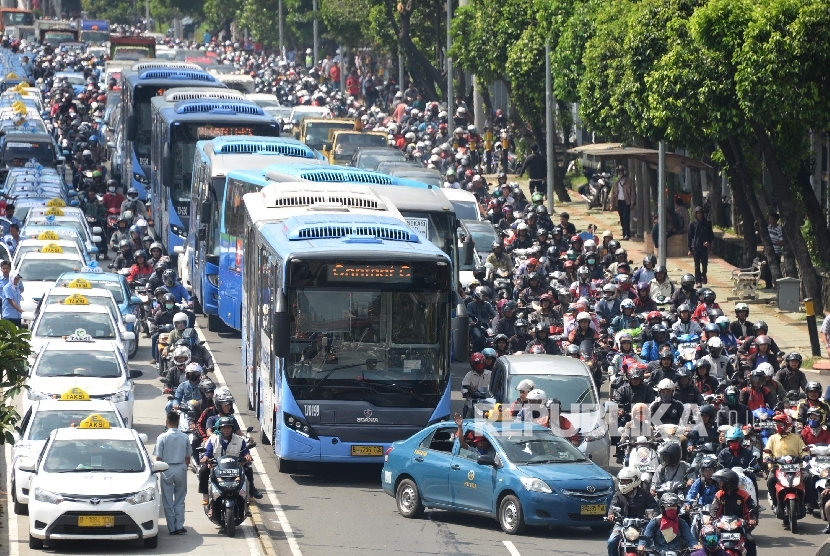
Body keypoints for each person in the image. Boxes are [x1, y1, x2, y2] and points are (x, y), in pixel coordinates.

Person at [200, 416, 261, 507]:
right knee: (203, 471)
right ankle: (206, 495)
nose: (226, 430)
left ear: (232, 428)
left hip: (235, 466)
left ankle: (250, 493)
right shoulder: (213, 440)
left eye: (228, 427)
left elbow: (245, 451)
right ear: (220, 429)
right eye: (224, 427)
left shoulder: (240, 440)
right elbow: (208, 452)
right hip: (217, 466)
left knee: (248, 470)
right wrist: (206, 459)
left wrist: (247, 456)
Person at [764, 413, 809, 520]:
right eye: (776, 423)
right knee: (770, 479)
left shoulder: (796, 438)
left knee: (808, 477)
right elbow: (767, 452)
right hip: (778, 467)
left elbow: (803, 451)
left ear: (787, 424)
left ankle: (806, 502)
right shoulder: (772, 438)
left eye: (780, 423)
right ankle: (775, 502)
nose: (777, 425)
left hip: (796, 467)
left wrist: (806, 456)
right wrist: (766, 457)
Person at [606, 467, 660, 556]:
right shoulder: (619, 494)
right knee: (612, 541)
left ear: (635, 480)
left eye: (626, 481)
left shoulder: (645, 494)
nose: (623, 483)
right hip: (622, 524)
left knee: (652, 543)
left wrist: (654, 516)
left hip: (642, 525)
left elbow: (655, 508)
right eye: (622, 481)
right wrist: (611, 514)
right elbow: (613, 505)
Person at [154, 411, 191, 535]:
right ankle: (180, 525)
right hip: (180, 468)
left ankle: (172, 527)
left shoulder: (162, 437)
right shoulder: (184, 437)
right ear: (178, 422)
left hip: (166, 469)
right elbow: (187, 457)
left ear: (167, 422)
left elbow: (158, 457)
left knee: (167, 499)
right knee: (180, 499)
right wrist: (184, 468)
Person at [710, 469, 758, 556]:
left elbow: (753, 508)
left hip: (740, 527)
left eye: (721, 482)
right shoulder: (719, 494)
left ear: (729, 483)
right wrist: (711, 519)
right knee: (709, 541)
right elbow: (714, 509)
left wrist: (752, 518)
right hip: (722, 527)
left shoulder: (744, 494)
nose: (719, 484)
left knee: (750, 541)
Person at [688, 206, 714, 287]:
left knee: (704, 263)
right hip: (695, 247)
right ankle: (698, 281)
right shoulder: (692, 224)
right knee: (697, 265)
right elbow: (689, 236)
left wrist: (708, 242)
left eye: (700, 213)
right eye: (697, 213)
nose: (699, 214)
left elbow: (711, 235)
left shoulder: (707, 223)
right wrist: (689, 249)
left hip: (704, 247)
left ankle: (704, 275)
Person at [613, 165, 635, 240]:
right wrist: (611, 204)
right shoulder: (616, 183)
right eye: (618, 172)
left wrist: (632, 203)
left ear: (624, 172)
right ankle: (624, 234)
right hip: (619, 202)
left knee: (626, 217)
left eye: (621, 171)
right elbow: (613, 194)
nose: (619, 173)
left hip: (627, 202)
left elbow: (632, 193)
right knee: (622, 218)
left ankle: (628, 234)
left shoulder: (629, 181)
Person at [764, 212, 783, 289]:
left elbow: (781, 240)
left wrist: (774, 243)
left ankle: (777, 285)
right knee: (767, 269)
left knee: (776, 268)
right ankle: (768, 285)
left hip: (776, 252)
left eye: (771, 219)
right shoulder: (769, 227)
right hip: (768, 252)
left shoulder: (779, 229)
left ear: (775, 220)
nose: (770, 220)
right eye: (769, 218)